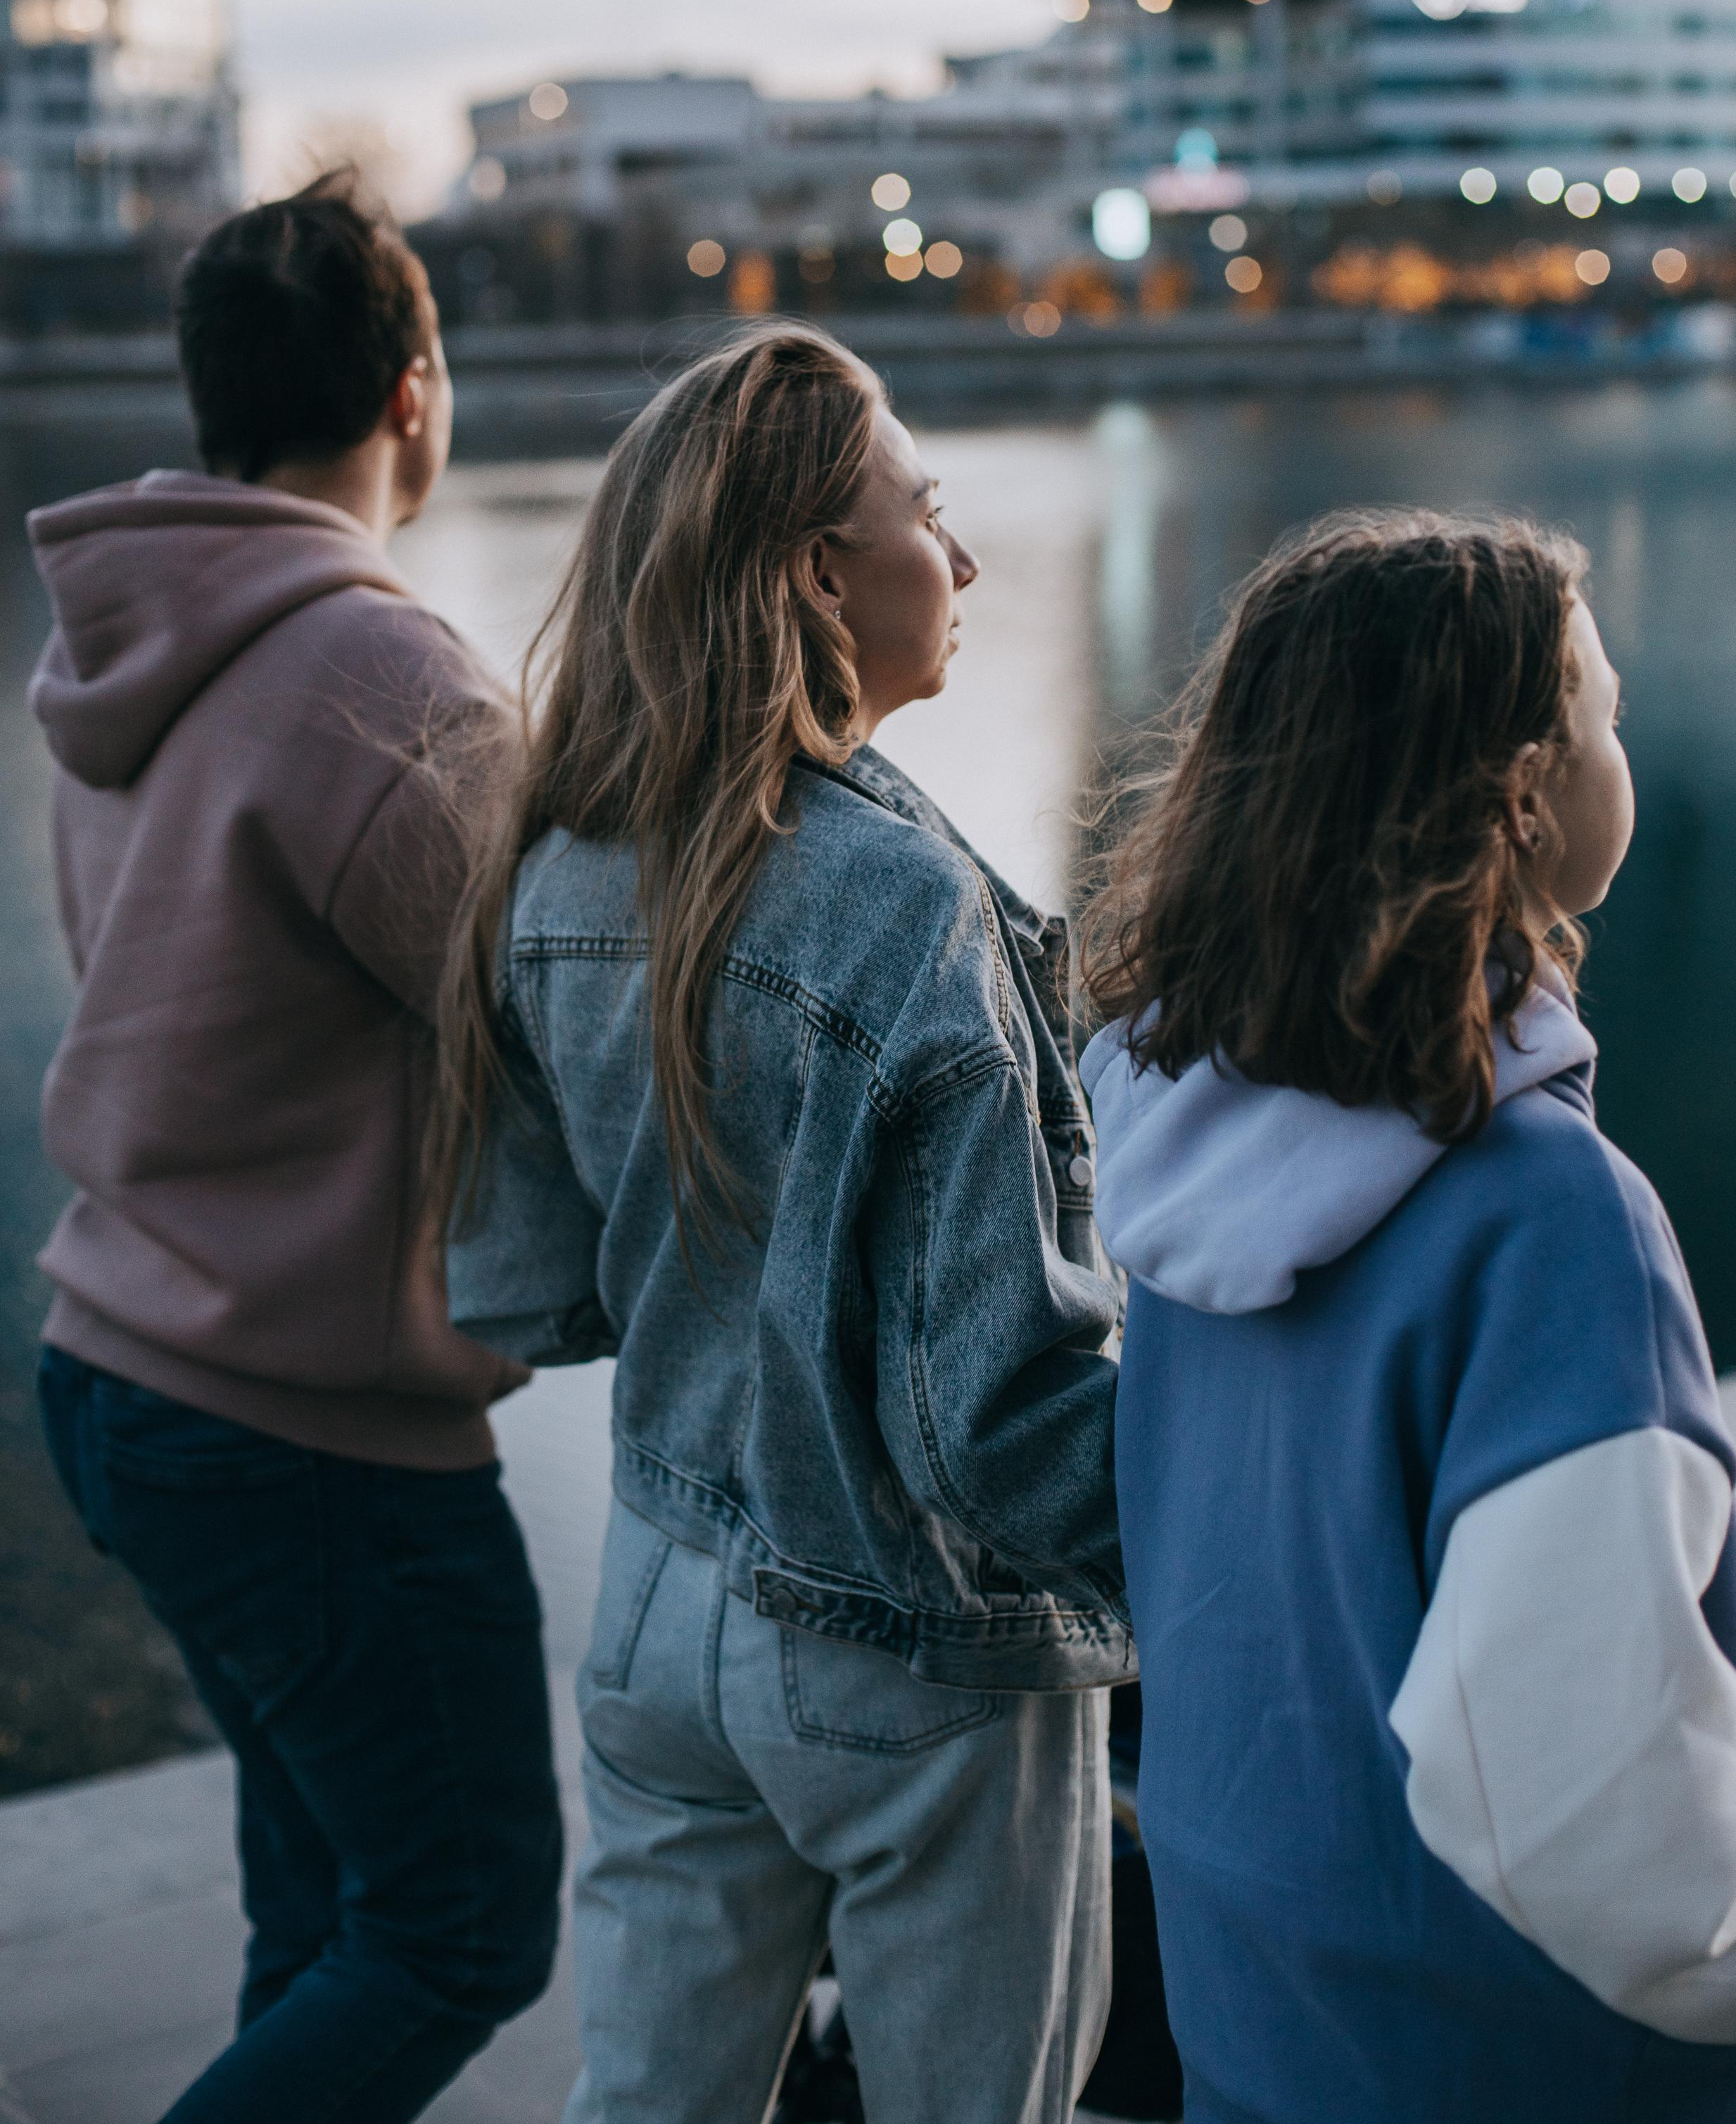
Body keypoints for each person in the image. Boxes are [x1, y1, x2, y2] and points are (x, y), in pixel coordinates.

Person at [438, 320, 1131, 2124]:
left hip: (660, 1600)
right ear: (819, 572)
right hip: (911, 1640)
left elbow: (526, 1292)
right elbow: (1006, 1425)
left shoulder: (558, 859)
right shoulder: (907, 906)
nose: (961, 559)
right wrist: (1233, 1562)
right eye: (925, 512)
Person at [1079, 509, 1736, 2124]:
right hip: (1515, 2059)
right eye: (1601, 714)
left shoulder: (1178, 1164)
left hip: (1266, 2019)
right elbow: (1586, 1804)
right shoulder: (1547, 1221)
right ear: (1523, 789)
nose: (1617, 742)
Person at [30, 175, 562, 2124]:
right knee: (462, 1923)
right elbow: (559, 1021)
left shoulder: (122, 650)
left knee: (330, 1900)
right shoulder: (383, 683)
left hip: (130, 1369)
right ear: (413, 390)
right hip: (307, 1424)